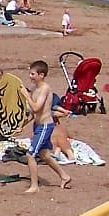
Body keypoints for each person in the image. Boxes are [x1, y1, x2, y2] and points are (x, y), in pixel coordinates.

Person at [22, 60, 72, 194]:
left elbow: (37, 107)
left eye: (33, 74)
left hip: (45, 125)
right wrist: (22, 125)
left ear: (41, 75)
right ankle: (64, 176)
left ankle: (34, 186)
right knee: (44, 155)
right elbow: (33, 113)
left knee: (30, 155)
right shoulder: (35, 89)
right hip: (37, 125)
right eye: (30, 74)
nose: (30, 76)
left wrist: (26, 96)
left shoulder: (45, 89)